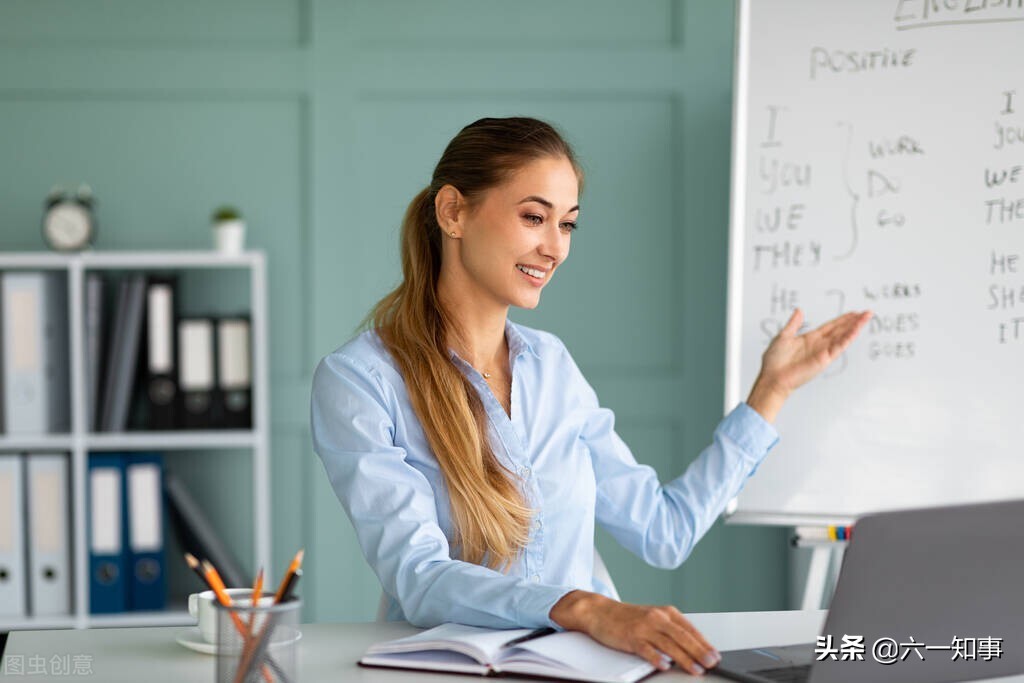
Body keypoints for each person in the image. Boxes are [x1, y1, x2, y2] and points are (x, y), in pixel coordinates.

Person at [310, 117, 871, 677]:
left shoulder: (552, 365)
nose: (554, 248)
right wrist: (581, 608)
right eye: (534, 217)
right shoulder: (360, 381)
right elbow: (420, 575)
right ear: (453, 212)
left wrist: (770, 392)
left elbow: (662, 531)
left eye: (568, 224)